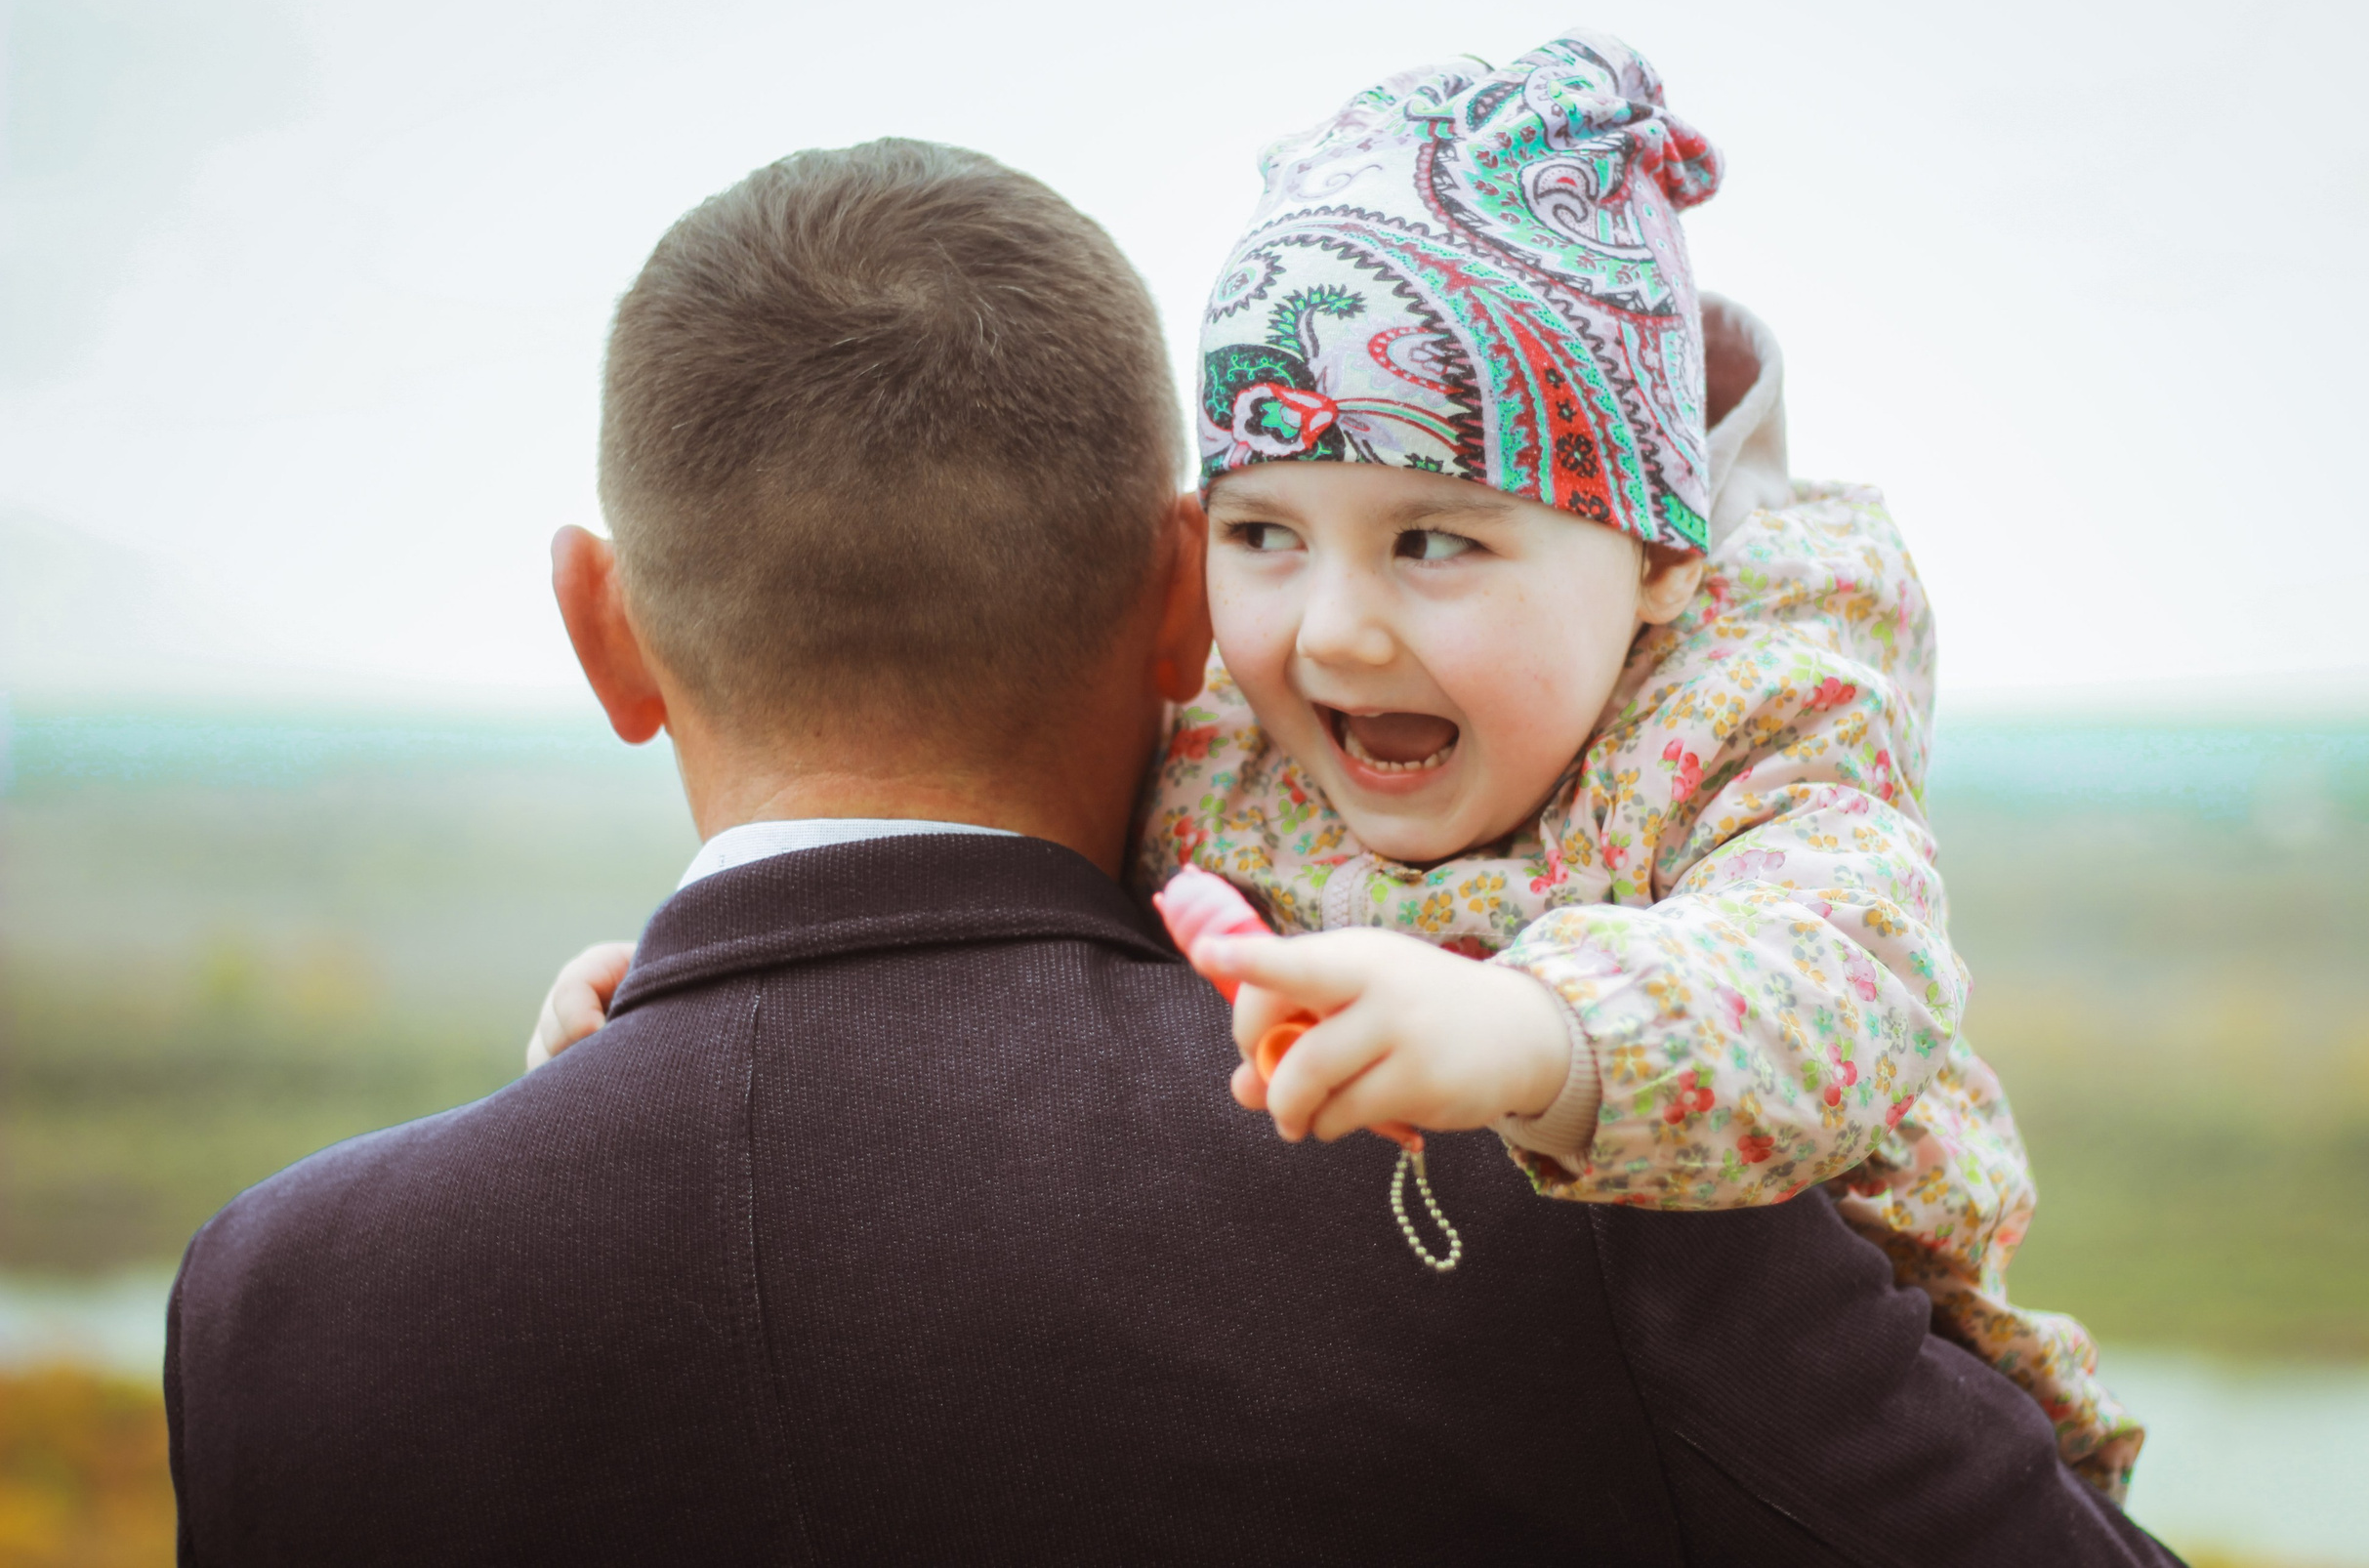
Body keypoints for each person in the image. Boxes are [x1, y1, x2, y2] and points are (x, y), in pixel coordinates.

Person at [170, 134, 2181, 1565]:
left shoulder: (274, 1308)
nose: (1334, 625)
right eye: (1268, 541)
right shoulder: (1530, 1178)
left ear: (602, 625)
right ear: (1175, 592)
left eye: (1427, 543)